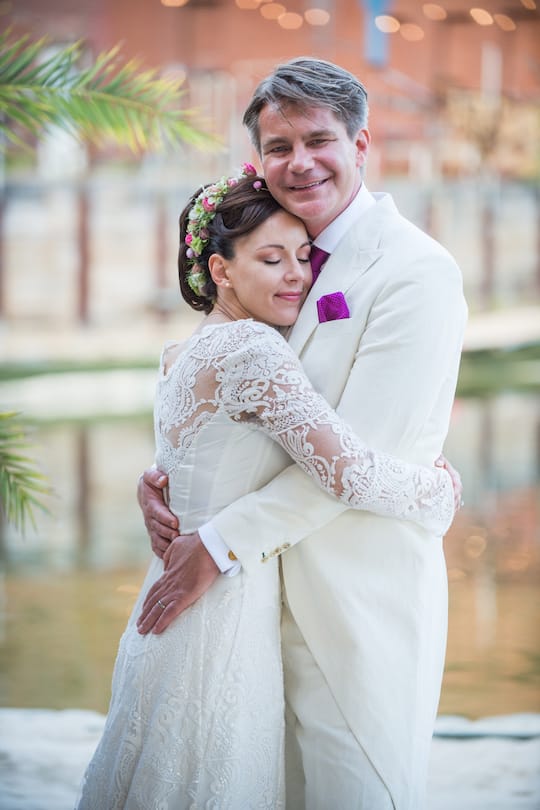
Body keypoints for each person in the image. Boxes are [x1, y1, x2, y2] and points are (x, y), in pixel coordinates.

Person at [138, 58, 468, 810]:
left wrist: (217, 542)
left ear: (361, 145)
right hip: (245, 612)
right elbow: (227, 406)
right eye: (278, 146)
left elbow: (363, 456)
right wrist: (162, 480)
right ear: (258, 159)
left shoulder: (416, 272)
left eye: (319, 139)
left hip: (352, 608)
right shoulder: (275, 258)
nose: (300, 162)